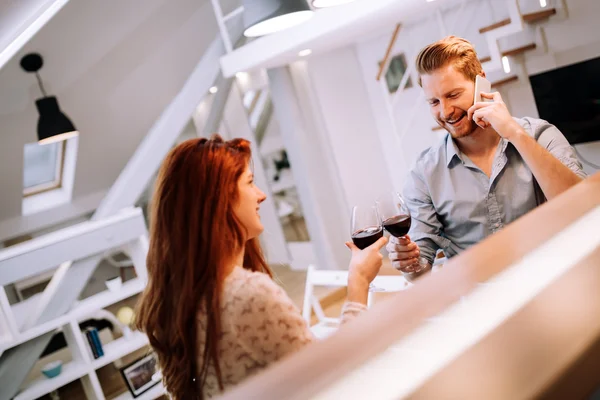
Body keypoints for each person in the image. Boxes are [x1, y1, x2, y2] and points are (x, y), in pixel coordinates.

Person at [135, 135, 387, 399]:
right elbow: (334, 378)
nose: (262, 195)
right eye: (250, 182)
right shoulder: (248, 295)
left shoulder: (183, 298)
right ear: (220, 201)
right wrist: (358, 282)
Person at [387, 36, 586, 276]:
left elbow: (582, 207)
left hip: (555, 279)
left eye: (453, 95)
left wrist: (514, 133)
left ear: (481, 82)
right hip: (484, 299)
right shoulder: (424, 174)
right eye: (434, 102)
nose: (445, 111)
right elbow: (420, 270)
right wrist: (408, 262)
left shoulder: (540, 135)